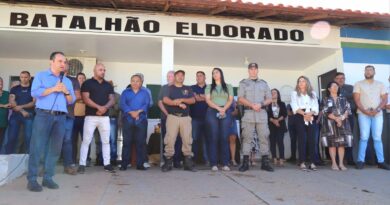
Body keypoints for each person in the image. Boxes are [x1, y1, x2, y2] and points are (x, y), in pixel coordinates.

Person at [27, 51, 76, 192]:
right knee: (37, 147)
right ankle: (32, 179)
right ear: (51, 62)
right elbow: (34, 93)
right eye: (60, 61)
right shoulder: (41, 76)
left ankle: (48, 178)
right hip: (43, 115)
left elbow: (71, 100)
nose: (63, 64)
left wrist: (66, 92)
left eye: (65, 62)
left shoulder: (67, 81)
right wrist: (54, 89)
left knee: (55, 149)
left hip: (61, 117)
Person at [77, 63, 115, 174]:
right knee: (86, 141)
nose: (103, 72)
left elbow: (112, 99)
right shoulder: (87, 83)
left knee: (106, 141)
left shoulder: (108, 85)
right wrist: (99, 107)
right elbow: (85, 98)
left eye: (104, 70)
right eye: (100, 70)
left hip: (104, 118)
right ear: (94, 70)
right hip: (90, 117)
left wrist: (104, 108)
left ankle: (107, 164)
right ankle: (82, 164)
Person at [237, 63, 273, 172]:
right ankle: (245, 163)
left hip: (261, 114)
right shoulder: (243, 83)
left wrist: (260, 104)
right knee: (247, 138)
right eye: (251, 69)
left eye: (255, 69)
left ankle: (265, 163)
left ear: (258, 70)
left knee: (264, 138)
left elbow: (269, 99)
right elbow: (240, 98)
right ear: (248, 71)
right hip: (248, 113)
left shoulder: (264, 84)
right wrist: (252, 105)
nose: (253, 71)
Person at [353, 65, 390, 170]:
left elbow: (384, 100)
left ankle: (381, 162)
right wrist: (365, 111)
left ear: (374, 72)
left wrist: (377, 110)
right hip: (363, 113)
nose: (368, 72)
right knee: (364, 137)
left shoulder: (381, 84)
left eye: (370, 70)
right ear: (364, 72)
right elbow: (357, 100)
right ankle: (360, 161)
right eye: (367, 70)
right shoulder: (358, 84)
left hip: (377, 114)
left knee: (377, 138)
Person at [161, 70, 196, 172]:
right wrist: (177, 104)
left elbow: (193, 100)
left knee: (187, 139)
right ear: (175, 77)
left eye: (182, 76)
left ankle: (188, 164)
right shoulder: (169, 88)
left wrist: (182, 99)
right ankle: (168, 163)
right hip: (173, 117)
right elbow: (165, 100)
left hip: (185, 117)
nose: (180, 77)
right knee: (170, 139)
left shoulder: (187, 88)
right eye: (178, 75)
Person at [205, 68, 234, 171]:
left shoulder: (228, 86)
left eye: (216, 72)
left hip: (226, 110)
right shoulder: (209, 87)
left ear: (221, 74)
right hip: (212, 111)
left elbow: (230, 100)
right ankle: (213, 163)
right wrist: (218, 108)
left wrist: (224, 109)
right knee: (213, 137)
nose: (215, 74)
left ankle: (225, 163)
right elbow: (208, 100)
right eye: (213, 73)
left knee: (224, 137)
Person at [119, 74, 150, 171]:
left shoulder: (145, 93)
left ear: (141, 83)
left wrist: (138, 112)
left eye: (137, 81)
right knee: (127, 142)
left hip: (141, 120)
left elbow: (147, 104)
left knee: (140, 143)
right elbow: (122, 104)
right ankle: (124, 164)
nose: (135, 83)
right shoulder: (125, 92)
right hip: (128, 119)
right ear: (130, 82)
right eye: (133, 81)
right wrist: (131, 112)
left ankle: (140, 164)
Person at [321, 81, 352, 171]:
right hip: (330, 125)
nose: (335, 87)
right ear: (329, 89)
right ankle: (334, 163)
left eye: (337, 86)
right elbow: (325, 111)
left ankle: (341, 163)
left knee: (341, 144)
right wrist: (336, 119)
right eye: (333, 86)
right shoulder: (325, 99)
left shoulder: (343, 99)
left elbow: (347, 110)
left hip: (343, 124)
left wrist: (341, 119)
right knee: (332, 144)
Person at [290, 76, 319, 171]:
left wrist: (310, 113)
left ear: (307, 82)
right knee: (302, 140)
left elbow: (316, 106)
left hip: (311, 115)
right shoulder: (294, 93)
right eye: (299, 81)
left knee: (312, 140)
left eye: (303, 81)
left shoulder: (313, 93)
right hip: (300, 116)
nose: (301, 83)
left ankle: (312, 162)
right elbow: (294, 106)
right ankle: (302, 162)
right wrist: (304, 114)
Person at [5, 71, 35, 154]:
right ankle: (8, 157)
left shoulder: (33, 88)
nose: (24, 79)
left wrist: (21, 107)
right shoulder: (15, 88)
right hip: (16, 115)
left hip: (29, 114)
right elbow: (12, 102)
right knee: (11, 137)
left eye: (26, 77)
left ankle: (29, 158)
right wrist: (22, 110)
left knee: (28, 138)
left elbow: (33, 102)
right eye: (22, 77)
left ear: (29, 78)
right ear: (20, 78)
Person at [158, 70, 183, 168]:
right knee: (167, 139)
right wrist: (167, 114)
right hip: (166, 117)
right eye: (168, 76)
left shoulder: (180, 88)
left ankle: (177, 161)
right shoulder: (164, 88)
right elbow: (160, 102)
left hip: (179, 118)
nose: (170, 78)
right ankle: (167, 161)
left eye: (171, 76)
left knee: (178, 139)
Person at [60, 61, 81, 175]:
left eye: (66, 63)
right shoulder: (53, 78)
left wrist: (65, 96)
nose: (63, 65)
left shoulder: (73, 80)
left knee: (67, 140)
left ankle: (68, 165)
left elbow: (77, 96)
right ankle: (46, 166)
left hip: (68, 114)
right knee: (50, 139)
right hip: (53, 114)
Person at [334, 72, 356, 165]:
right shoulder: (333, 87)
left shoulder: (350, 87)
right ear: (335, 79)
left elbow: (354, 99)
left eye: (342, 78)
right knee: (338, 138)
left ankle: (350, 159)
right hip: (336, 118)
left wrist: (342, 93)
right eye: (338, 78)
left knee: (349, 137)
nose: (340, 80)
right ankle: (339, 159)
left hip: (349, 116)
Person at [190, 71, 209, 164]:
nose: (198, 77)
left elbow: (211, 99)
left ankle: (207, 160)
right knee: (194, 139)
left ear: (205, 77)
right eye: (197, 76)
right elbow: (194, 99)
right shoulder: (191, 88)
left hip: (208, 118)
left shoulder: (210, 88)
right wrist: (205, 97)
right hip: (195, 118)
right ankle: (194, 160)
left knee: (207, 139)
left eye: (200, 76)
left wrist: (200, 96)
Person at [72, 72, 90, 166]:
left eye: (83, 78)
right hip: (73, 117)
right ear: (76, 79)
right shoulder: (72, 89)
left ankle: (86, 160)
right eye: (80, 78)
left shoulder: (88, 91)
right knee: (72, 140)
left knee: (86, 140)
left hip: (85, 118)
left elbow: (89, 102)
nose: (81, 80)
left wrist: (80, 99)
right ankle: (72, 161)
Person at [267, 89, 287, 166]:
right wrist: (273, 121)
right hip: (271, 125)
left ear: (278, 94)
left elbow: (285, 114)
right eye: (271, 93)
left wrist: (277, 120)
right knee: (272, 142)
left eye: (275, 93)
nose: (273, 94)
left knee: (280, 141)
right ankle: (274, 158)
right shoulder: (268, 104)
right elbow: (267, 115)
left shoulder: (282, 104)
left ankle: (281, 158)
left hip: (280, 125)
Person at [229, 99, 240, 166]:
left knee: (233, 139)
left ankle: (233, 160)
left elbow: (236, 112)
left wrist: (236, 111)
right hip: (221, 120)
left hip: (232, 121)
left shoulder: (232, 99)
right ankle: (223, 160)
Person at [0, 77, 10, 151]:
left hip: (3, 122)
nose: (0, 84)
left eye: (1, 83)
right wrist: (3, 105)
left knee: (1, 141)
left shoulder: (7, 93)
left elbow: (11, 103)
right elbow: (6, 105)